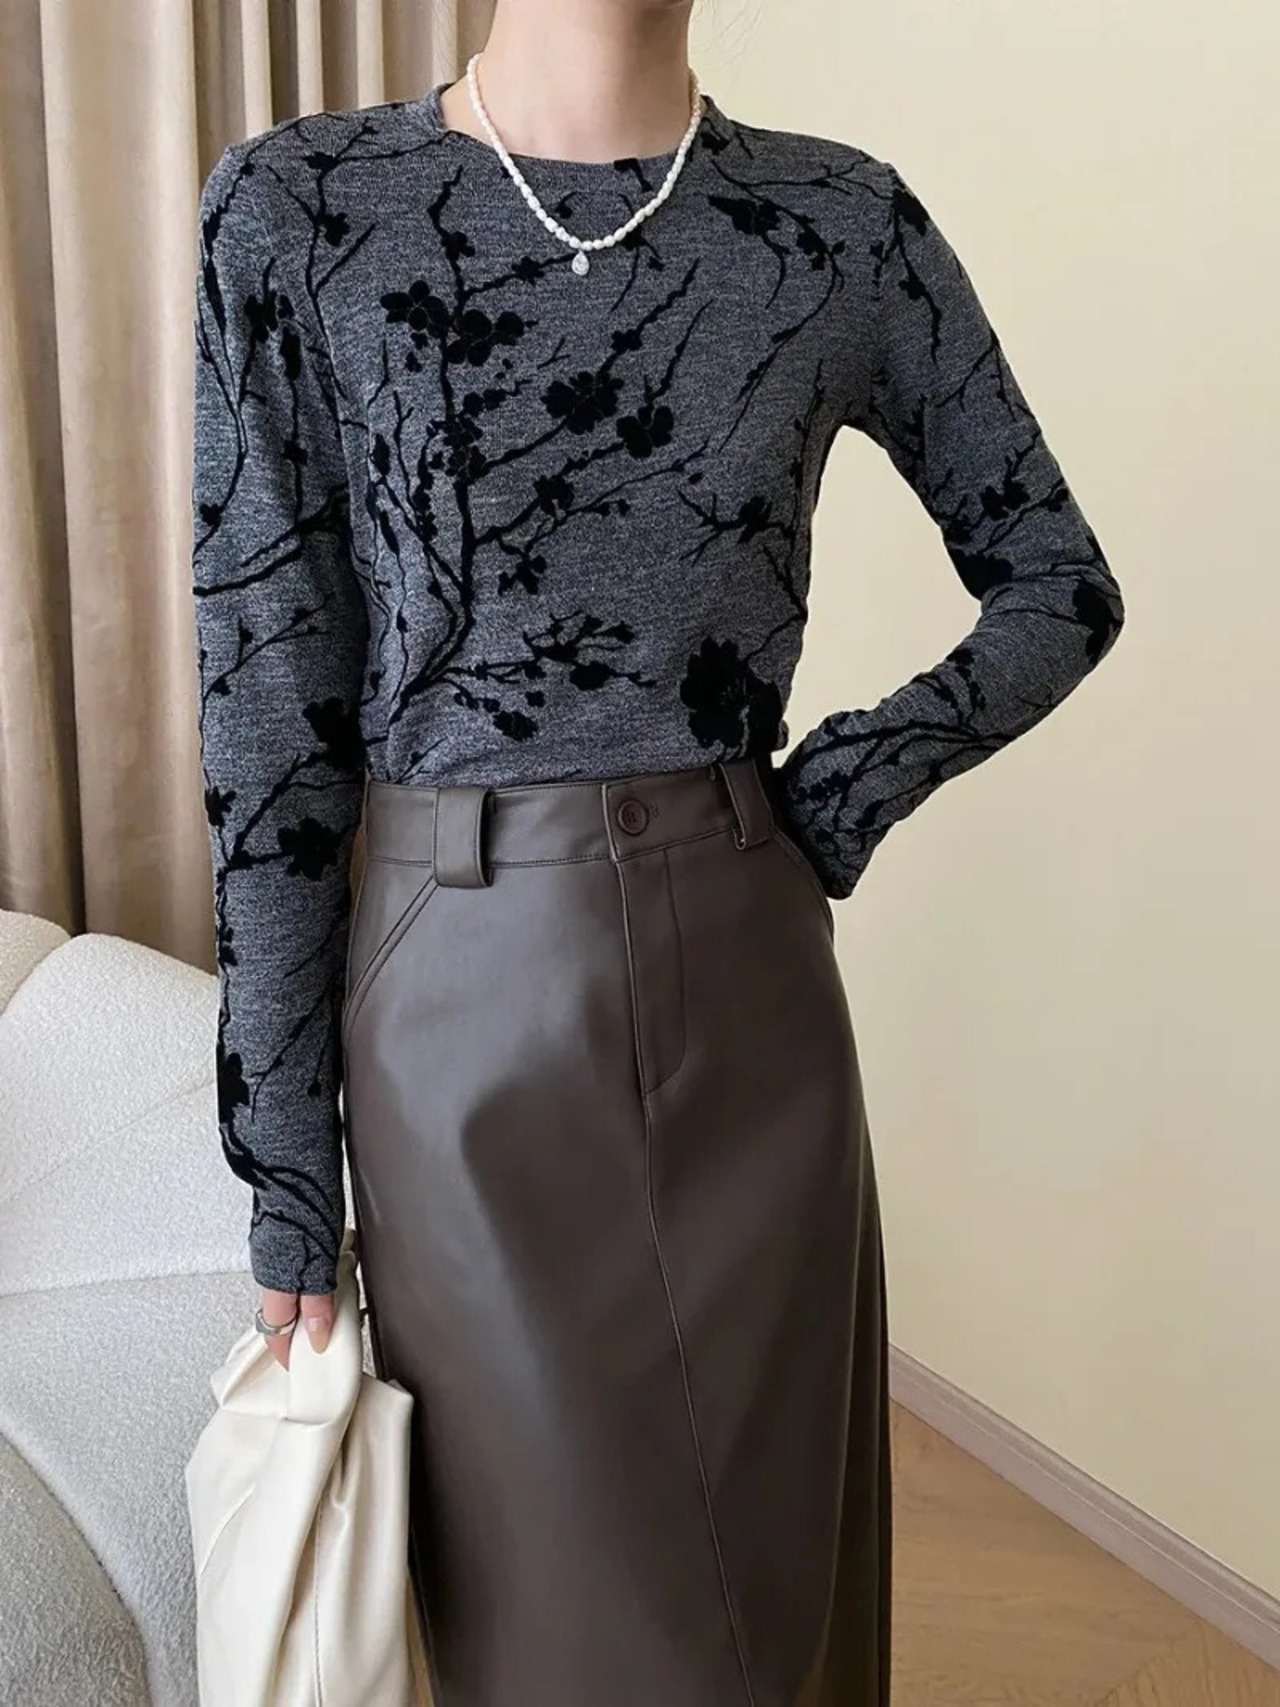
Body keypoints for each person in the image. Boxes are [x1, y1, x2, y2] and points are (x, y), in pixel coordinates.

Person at [189, 2, 1124, 1702]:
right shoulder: (301, 206)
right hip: (455, 1012)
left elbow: (1058, 580)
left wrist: (834, 795)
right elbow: (271, 703)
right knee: (541, 1611)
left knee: (777, 1594)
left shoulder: (839, 221)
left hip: (749, 995)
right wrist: (283, 1170)